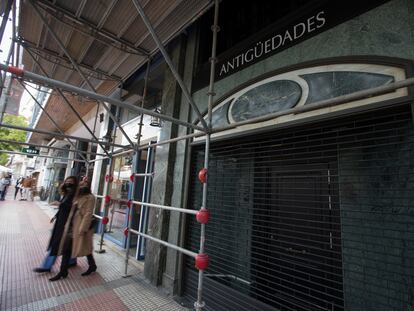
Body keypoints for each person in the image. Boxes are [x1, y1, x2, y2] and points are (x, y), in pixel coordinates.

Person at [50, 179, 97, 281]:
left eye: (85, 183)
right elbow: (68, 205)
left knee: (84, 247)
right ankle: (63, 271)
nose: (82, 184)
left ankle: (92, 265)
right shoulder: (77, 195)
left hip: (80, 226)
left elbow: (88, 213)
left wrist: (83, 228)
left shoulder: (90, 197)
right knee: (68, 248)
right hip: (71, 225)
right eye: (81, 183)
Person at [33, 176, 79, 273]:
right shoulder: (67, 193)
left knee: (57, 244)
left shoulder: (76, 195)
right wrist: (55, 216)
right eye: (67, 181)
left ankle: (47, 266)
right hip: (60, 223)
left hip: (67, 224)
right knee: (66, 244)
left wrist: (60, 204)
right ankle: (72, 261)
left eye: (71, 182)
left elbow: (73, 208)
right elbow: (64, 208)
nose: (68, 183)